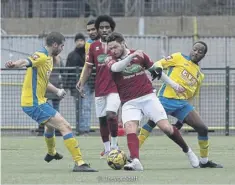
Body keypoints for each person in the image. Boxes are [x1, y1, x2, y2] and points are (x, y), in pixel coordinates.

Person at [105, 32, 199, 171]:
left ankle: (188, 151)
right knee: (130, 128)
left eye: (115, 47)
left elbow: (156, 71)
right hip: (129, 102)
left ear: (123, 43)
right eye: (110, 48)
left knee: (166, 128)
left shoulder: (141, 56)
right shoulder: (109, 59)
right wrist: (131, 56)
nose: (112, 51)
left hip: (148, 97)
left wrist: (174, 85)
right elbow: (116, 68)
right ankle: (136, 160)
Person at [5, 32, 97, 172]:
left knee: (50, 126)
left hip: (40, 101)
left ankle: (51, 153)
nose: (62, 49)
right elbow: (25, 61)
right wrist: (13, 64)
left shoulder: (49, 58)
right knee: (65, 126)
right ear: (55, 45)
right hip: (34, 103)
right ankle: (79, 163)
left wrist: (57, 91)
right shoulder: (41, 55)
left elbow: (43, 81)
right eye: (61, 46)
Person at [138, 41, 223, 168]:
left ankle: (204, 162)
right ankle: (133, 153)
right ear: (191, 49)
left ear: (203, 56)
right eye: (195, 49)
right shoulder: (179, 57)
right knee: (151, 122)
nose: (196, 52)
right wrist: (159, 69)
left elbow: (191, 96)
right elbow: (158, 63)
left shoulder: (200, 75)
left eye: (200, 51)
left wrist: (180, 120)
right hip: (165, 99)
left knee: (203, 128)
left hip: (182, 104)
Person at [76, 15, 120, 158]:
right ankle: (107, 149)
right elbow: (88, 68)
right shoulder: (93, 47)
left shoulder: (118, 44)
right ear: (98, 30)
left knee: (111, 115)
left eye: (107, 27)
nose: (104, 30)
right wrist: (81, 83)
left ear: (112, 28)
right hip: (100, 88)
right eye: (101, 27)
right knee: (102, 120)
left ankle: (114, 146)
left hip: (115, 87)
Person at [65, 33, 92, 135]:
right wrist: (67, 84)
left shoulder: (88, 54)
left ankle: (86, 128)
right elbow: (67, 70)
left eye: (81, 40)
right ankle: (79, 128)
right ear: (75, 42)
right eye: (78, 40)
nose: (80, 42)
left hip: (88, 84)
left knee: (86, 106)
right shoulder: (71, 55)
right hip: (75, 84)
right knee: (78, 107)